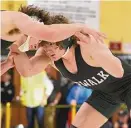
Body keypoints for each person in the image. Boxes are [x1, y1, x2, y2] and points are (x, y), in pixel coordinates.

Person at [2, 6, 131, 128]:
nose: (47, 49)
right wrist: (15, 46)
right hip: (105, 94)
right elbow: (27, 70)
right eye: (43, 45)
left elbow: (118, 71)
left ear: (64, 38)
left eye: (50, 44)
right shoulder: (48, 54)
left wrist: (97, 52)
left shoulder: (86, 46)